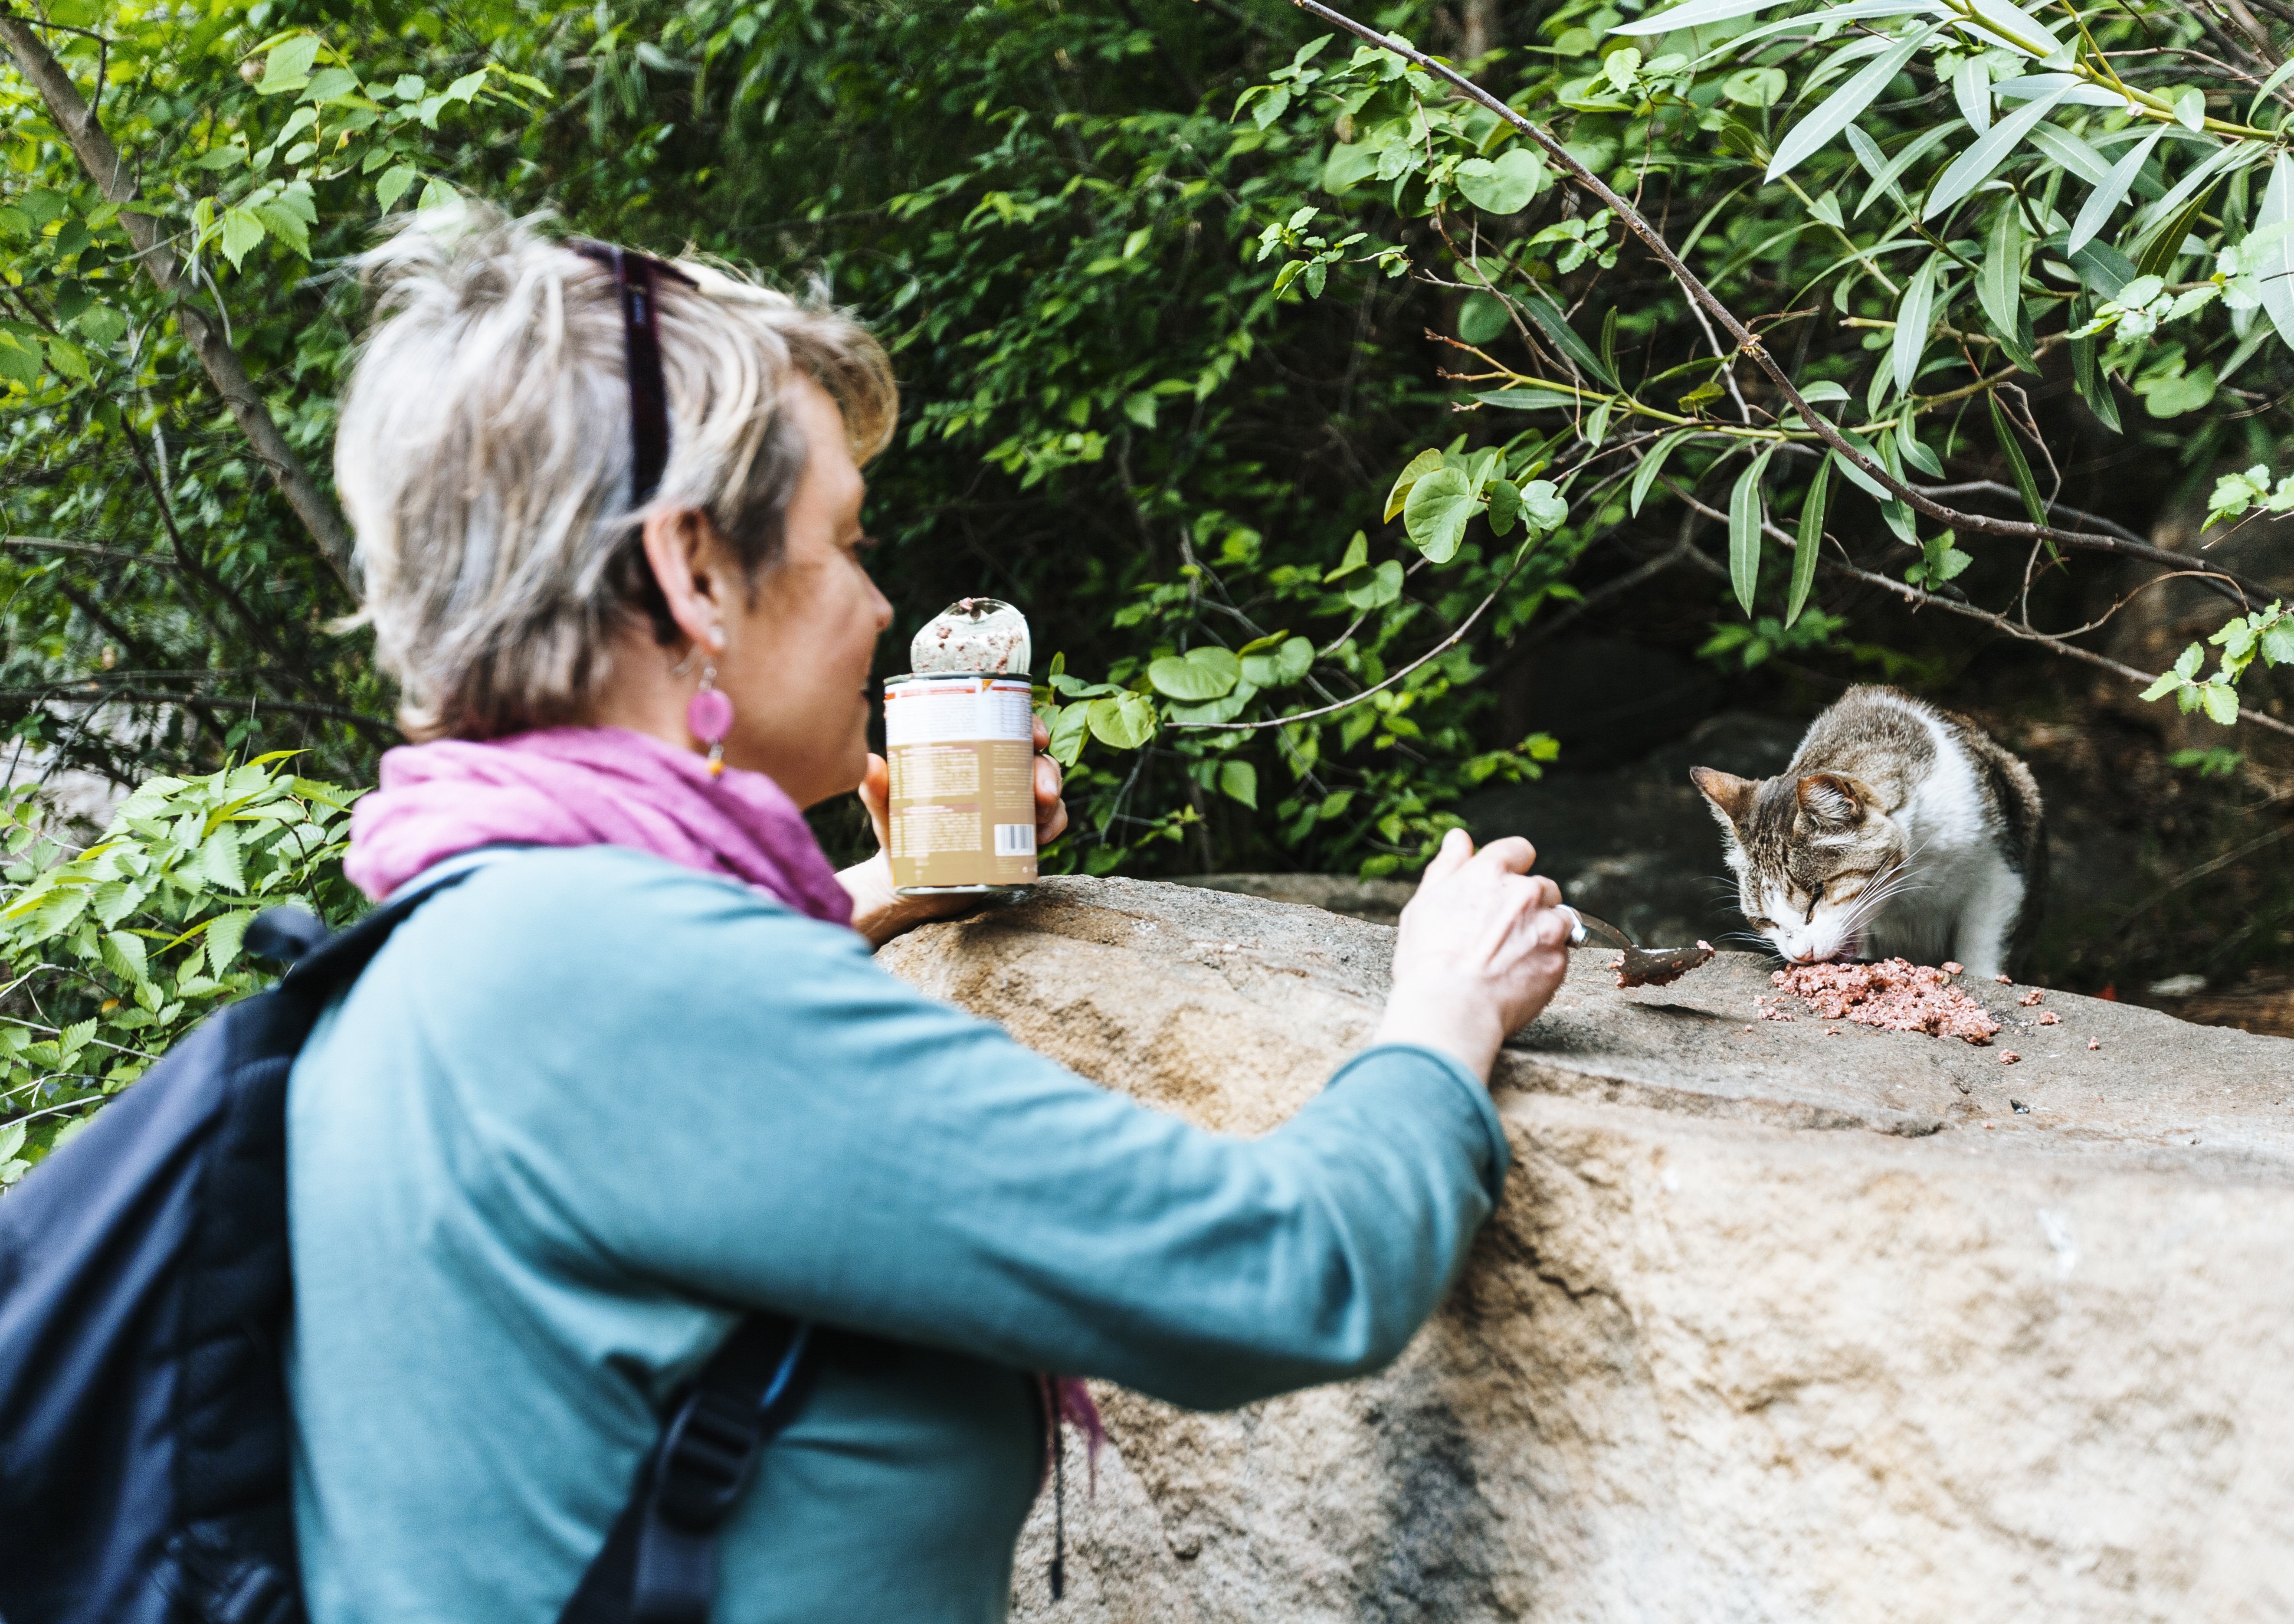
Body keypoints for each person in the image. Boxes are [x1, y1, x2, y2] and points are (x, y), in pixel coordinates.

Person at [290, 204, 1572, 1624]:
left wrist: (897, 892)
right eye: (843, 542)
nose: (879, 603)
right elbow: (1283, 1270)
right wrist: (1444, 1011)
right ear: (692, 573)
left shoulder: (481, 917)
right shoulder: (639, 983)